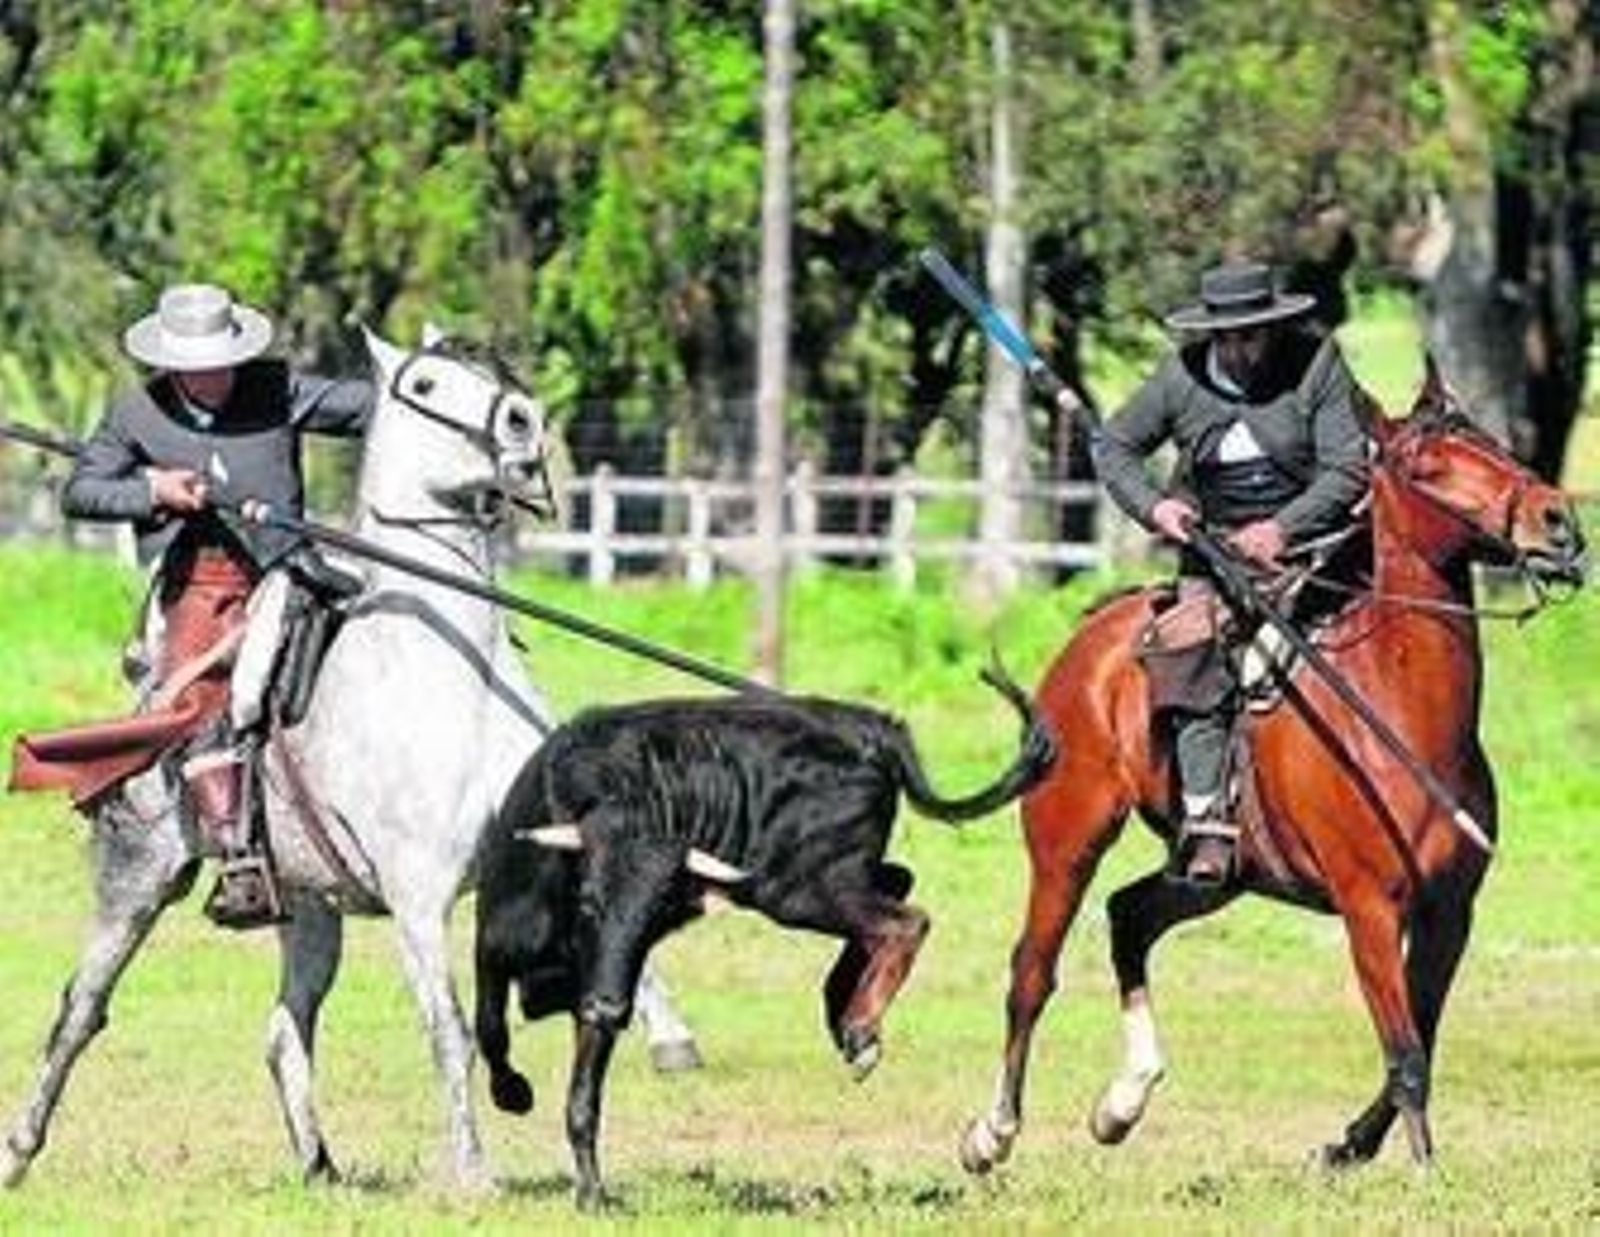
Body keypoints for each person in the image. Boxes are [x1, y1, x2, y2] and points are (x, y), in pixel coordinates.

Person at [11, 283, 374, 926]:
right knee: (200, 706)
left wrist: (426, 390)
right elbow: (85, 490)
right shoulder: (134, 413)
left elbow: (364, 408)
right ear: (171, 363)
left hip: (289, 570)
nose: (212, 376)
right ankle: (238, 862)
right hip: (200, 585)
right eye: (197, 366)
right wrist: (153, 488)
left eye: (220, 361)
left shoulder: (276, 387)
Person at [1091, 260, 1371, 884]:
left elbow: (1348, 467)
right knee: (1192, 654)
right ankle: (1207, 820)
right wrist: (1154, 506)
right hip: (1213, 557)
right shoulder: (1179, 378)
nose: (1240, 349)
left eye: (1252, 335)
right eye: (1228, 337)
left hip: (1319, 548)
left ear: (1273, 328)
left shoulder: (1317, 365)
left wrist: (1283, 530)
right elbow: (1114, 448)